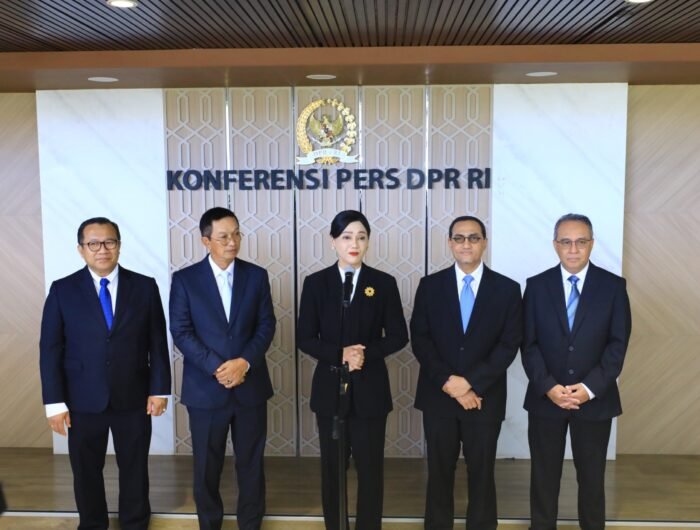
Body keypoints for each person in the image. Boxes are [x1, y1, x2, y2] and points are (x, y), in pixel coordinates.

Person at [39, 217, 171, 530]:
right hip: (81, 400)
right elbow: (50, 349)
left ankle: (135, 523)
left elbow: (157, 341)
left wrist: (160, 389)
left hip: (134, 396)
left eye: (109, 242)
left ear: (119, 246)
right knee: (86, 470)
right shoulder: (62, 290)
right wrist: (54, 404)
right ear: (81, 249)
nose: (102, 249)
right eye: (93, 244)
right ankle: (92, 524)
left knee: (135, 468)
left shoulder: (145, 286)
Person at [297, 210, 408, 530]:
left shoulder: (383, 283)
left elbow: (398, 335)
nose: (354, 244)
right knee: (332, 469)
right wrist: (340, 354)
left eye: (361, 237)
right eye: (346, 237)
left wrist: (364, 355)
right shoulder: (316, 283)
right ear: (333, 242)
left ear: (368, 242)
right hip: (330, 391)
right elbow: (305, 338)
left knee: (370, 470)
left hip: (370, 390)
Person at [411, 215, 522, 530]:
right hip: (439, 396)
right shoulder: (430, 286)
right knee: (439, 471)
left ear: (484, 242)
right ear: (450, 243)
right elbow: (421, 339)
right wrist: (449, 383)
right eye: (459, 238)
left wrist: (471, 383)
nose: (466, 244)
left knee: (482, 472)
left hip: (483, 398)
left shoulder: (507, 289)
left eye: (474, 237)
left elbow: (509, 344)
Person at [522, 213, 631, 530]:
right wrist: (548, 386)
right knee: (544, 476)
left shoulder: (613, 287)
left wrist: (589, 389)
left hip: (595, 401)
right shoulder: (536, 286)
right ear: (555, 245)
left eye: (581, 242)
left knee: (592, 477)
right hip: (546, 399)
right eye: (566, 242)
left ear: (592, 244)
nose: (573, 249)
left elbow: (617, 344)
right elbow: (528, 343)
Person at [169, 207, 276, 530]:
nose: (233, 242)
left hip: (250, 386)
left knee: (251, 464)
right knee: (206, 465)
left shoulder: (256, 276)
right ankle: (210, 524)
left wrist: (243, 363)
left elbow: (266, 325)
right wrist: (218, 368)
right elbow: (181, 332)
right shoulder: (185, 280)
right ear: (206, 241)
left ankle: (251, 524)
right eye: (224, 237)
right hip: (205, 389)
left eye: (237, 234)